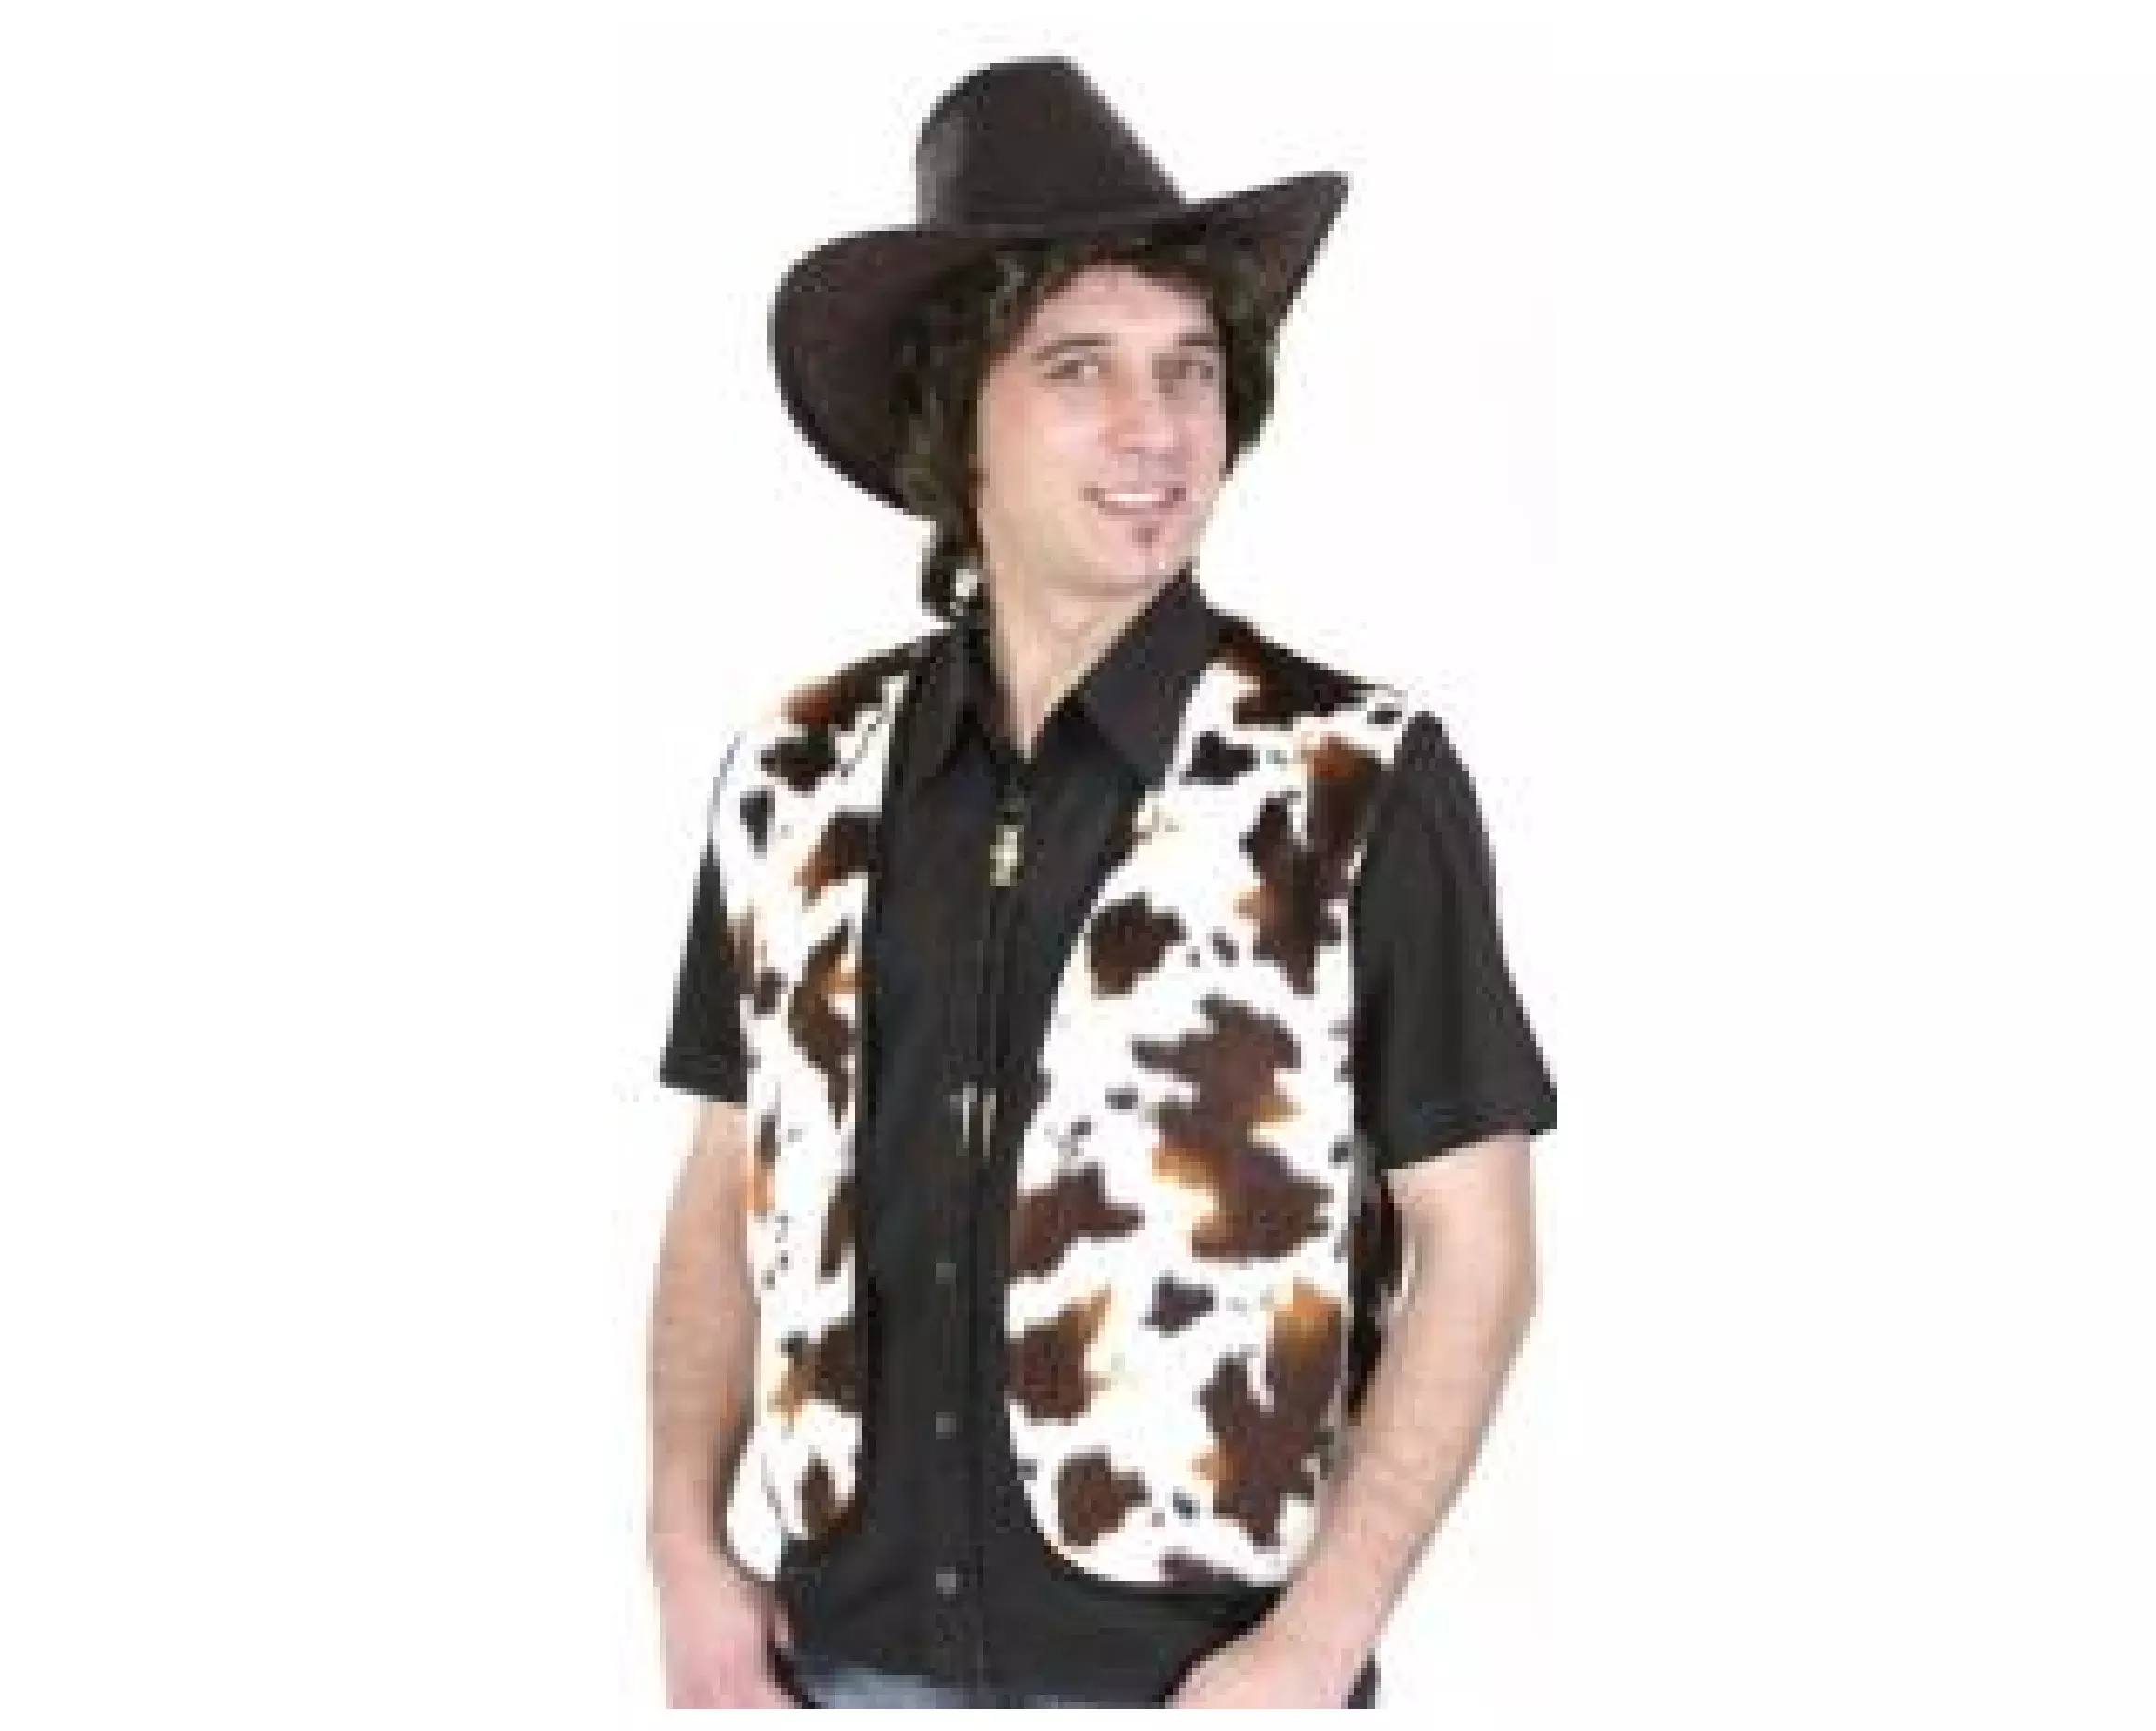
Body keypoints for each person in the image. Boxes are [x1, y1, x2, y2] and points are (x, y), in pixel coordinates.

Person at [646, 57, 1556, 1710]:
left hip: (1201, 1684)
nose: (1157, 428)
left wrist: (1316, 1641)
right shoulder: (794, 776)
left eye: (1190, 368)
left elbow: (1476, 1244)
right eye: (1080, 368)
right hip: (840, 1665)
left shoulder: (1352, 783)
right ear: (956, 424)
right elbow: (725, 1180)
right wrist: (684, 1548)